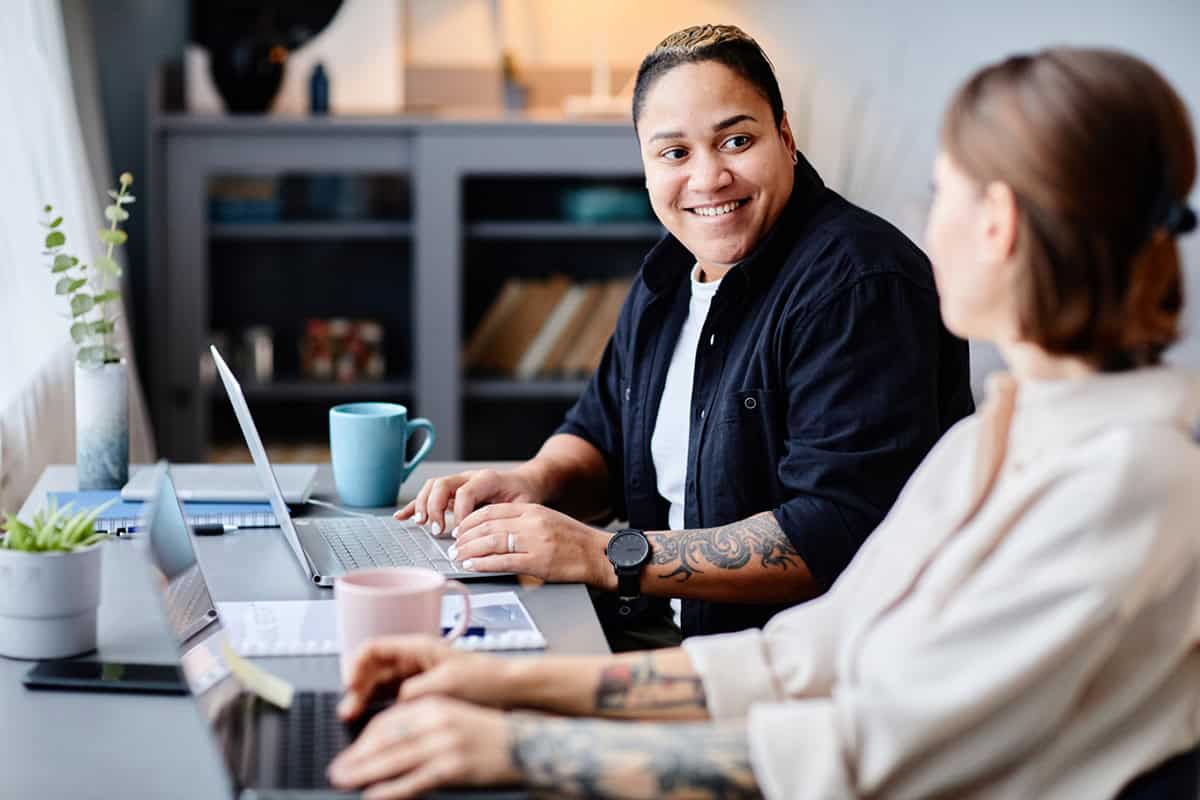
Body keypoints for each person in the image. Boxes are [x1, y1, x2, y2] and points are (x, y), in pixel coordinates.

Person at [327, 46, 1200, 799]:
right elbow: (798, 660)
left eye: (943, 193)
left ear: (998, 225)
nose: (926, 223)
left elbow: (856, 753)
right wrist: (492, 684)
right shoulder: (995, 440)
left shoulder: (1128, 478)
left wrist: (514, 743)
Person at [397, 25, 973, 647]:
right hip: (656, 634)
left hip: (781, 672)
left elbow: (835, 532)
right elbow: (601, 433)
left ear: (785, 136)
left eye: (736, 140)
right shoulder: (669, 278)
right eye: (675, 153)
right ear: (645, 166)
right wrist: (535, 481)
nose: (708, 178)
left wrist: (602, 554)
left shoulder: (859, 286)